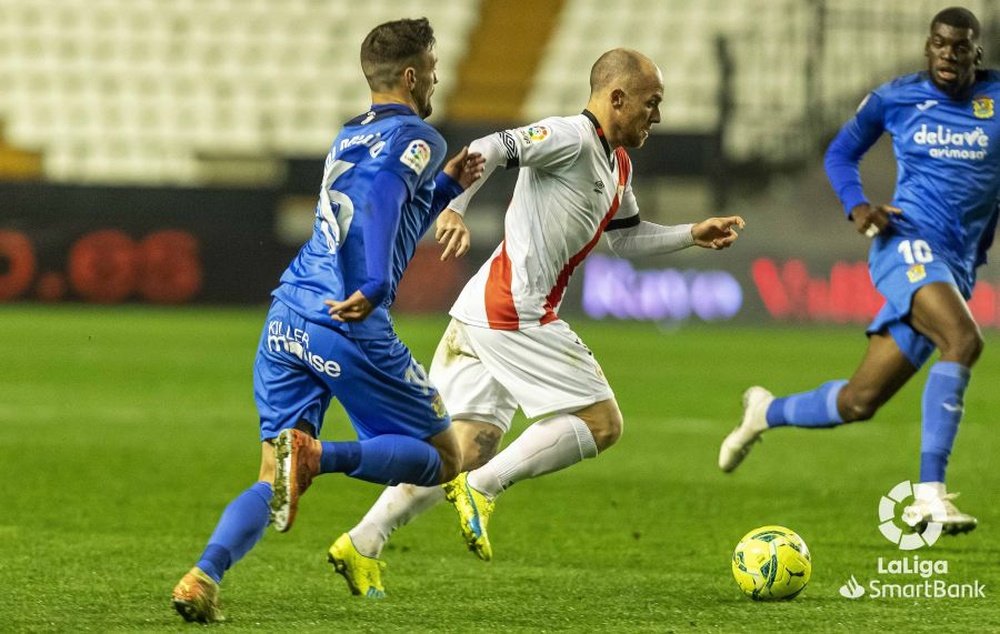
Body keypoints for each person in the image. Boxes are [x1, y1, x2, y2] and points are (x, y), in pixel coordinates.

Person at [326, 48, 746, 598]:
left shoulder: (617, 163)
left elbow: (625, 237)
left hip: (486, 309)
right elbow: (490, 147)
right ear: (616, 98)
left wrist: (692, 233)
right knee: (602, 423)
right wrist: (454, 205)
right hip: (513, 310)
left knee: (460, 448)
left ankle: (362, 541)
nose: (657, 116)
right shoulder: (570, 136)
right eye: (652, 103)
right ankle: (483, 489)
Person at [170, 17, 485, 621]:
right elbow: (381, 200)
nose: (438, 80)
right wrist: (372, 285)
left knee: (271, 471)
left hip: (289, 311)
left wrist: (440, 192)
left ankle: (203, 576)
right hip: (347, 319)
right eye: (435, 69)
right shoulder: (419, 136)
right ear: (414, 75)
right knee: (446, 458)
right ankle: (322, 455)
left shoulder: (348, 135)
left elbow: (376, 212)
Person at [719, 7, 999, 535]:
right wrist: (858, 206)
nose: (947, 54)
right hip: (906, 243)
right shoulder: (897, 97)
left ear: (976, 54)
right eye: (938, 44)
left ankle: (765, 412)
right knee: (963, 340)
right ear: (927, 47)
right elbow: (841, 153)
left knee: (858, 401)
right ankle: (929, 497)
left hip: (955, 265)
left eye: (959, 46)